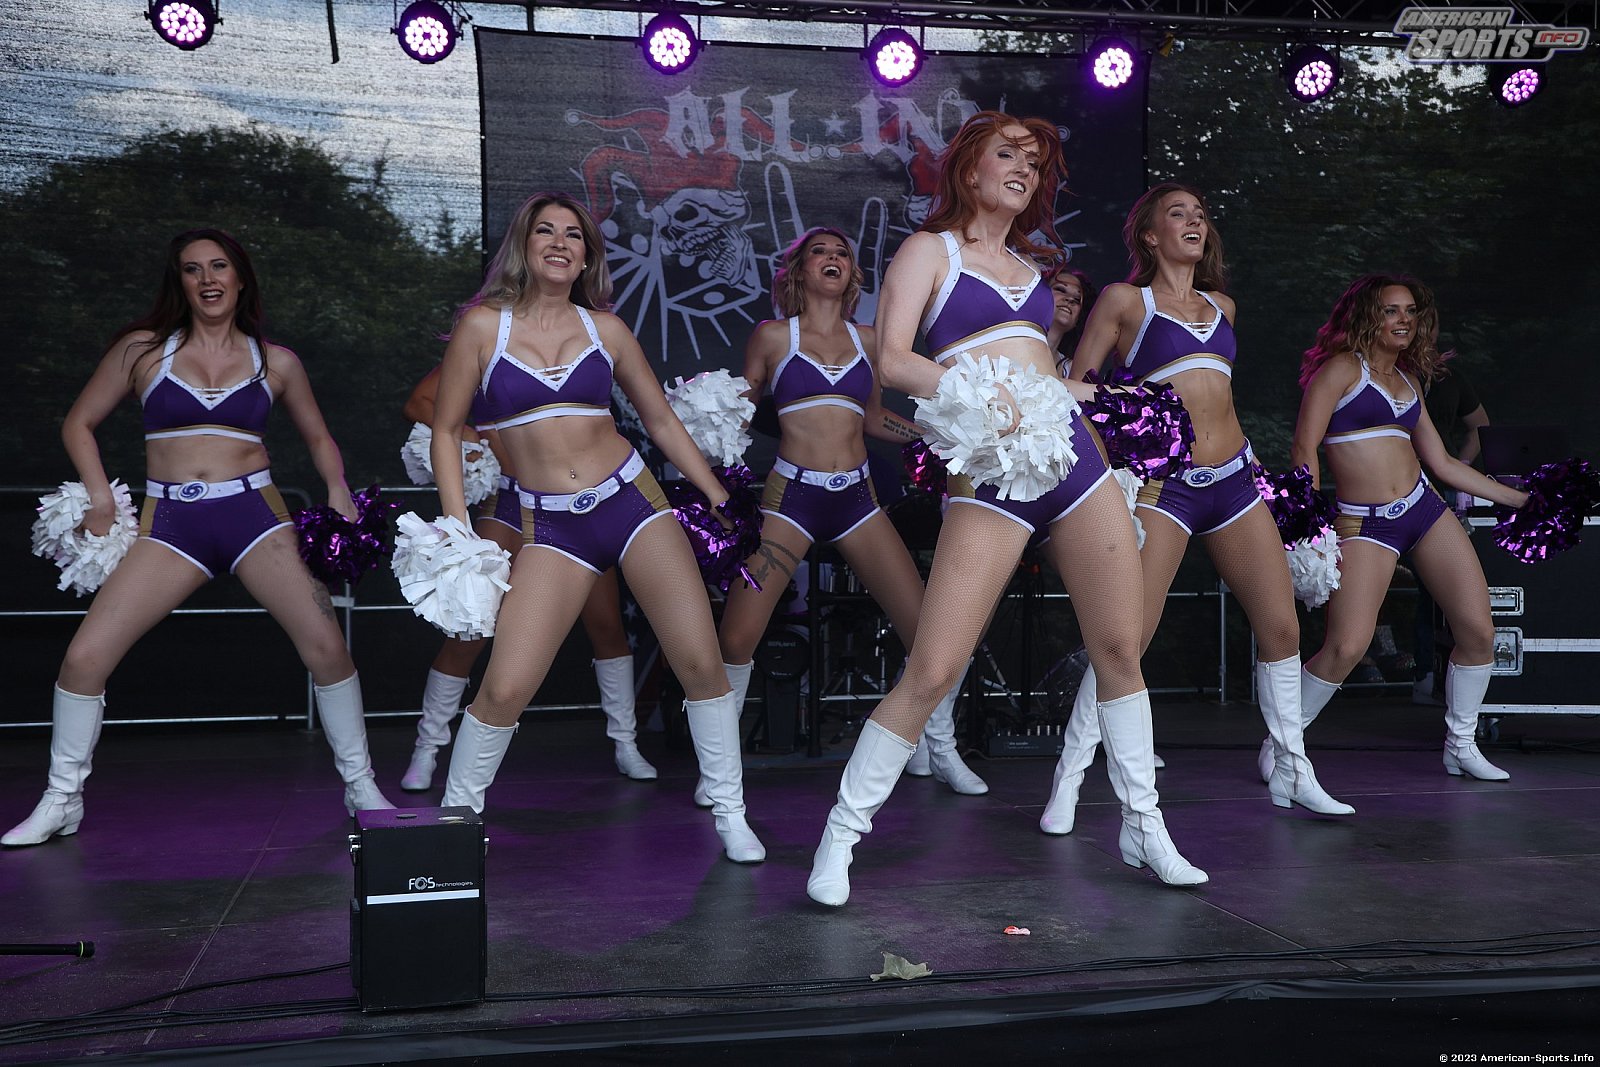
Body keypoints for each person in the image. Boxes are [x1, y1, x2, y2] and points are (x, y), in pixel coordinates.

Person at [807, 112, 1206, 907]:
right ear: (969, 169)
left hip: (1071, 455)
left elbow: (1044, 379)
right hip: (993, 467)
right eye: (1007, 154)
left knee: (1120, 646)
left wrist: (1114, 400)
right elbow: (893, 363)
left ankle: (1143, 823)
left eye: (1033, 160)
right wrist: (986, 396)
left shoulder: (1030, 268)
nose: (1023, 168)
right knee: (934, 666)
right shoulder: (931, 252)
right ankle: (842, 834)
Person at [4, 228, 394, 848]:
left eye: (219, 267)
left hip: (256, 518)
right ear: (179, 281)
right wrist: (100, 496)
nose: (208, 279)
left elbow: (319, 437)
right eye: (193, 269)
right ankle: (61, 800)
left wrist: (337, 487)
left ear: (240, 278)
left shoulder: (276, 362)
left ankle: (362, 787)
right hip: (172, 525)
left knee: (326, 645)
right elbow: (78, 422)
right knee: (84, 658)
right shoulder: (142, 351)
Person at [428, 192, 765, 863]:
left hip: (632, 504)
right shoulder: (482, 328)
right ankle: (453, 825)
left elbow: (659, 419)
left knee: (700, 662)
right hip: (549, 525)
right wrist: (459, 528)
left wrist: (714, 490)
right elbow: (444, 429)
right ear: (524, 245)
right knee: (505, 686)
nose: (560, 242)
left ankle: (731, 813)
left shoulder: (605, 328)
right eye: (545, 231)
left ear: (587, 256)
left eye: (574, 235)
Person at [1038, 183, 1355, 839]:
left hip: (1236, 480)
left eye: (1201, 215)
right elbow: (1078, 388)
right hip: (1167, 486)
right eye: (1177, 213)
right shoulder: (1126, 301)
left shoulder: (1222, 306)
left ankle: (1292, 770)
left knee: (1283, 629)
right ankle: (1070, 775)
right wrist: (1126, 438)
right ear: (1149, 235)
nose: (1194, 221)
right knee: (1127, 639)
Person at [715, 226, 987, 802]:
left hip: (857, 500)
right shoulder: (773, 336)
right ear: (799, 270)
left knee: (931, 629)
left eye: (842, 252)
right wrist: (704, 424)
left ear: (851, 274)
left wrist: (933, 437)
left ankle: (937, 747)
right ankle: (720, 774)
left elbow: (873, 417)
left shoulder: (869, 340)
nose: (833, 258)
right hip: (791, 498)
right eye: (820, 251)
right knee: (737, 636)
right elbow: (740, 409)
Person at [1287, 274, 1527, 781]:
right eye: (1391, 310)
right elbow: (1305, 448)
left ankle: (1461, 744)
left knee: (1479, 631)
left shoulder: (1409, 381)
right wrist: (1311, 524)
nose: (1404, 320)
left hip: (1424, 509)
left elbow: (1442, 464)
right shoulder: (1340, 370)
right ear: (1367, 316)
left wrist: (1518, 500)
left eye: (1411, 311)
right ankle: (1284, 746)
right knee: (1347, 646)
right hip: (1365, 522)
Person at [397, 367, 653, 792]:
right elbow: (418, 403)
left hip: (570, 506)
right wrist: (471, 435)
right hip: (508, 502)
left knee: (607, 626)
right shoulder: (483, 346)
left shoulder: (570, 345)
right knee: (469, 630)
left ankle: (626, 744)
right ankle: (427, 748)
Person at [1409, 358, 1490, 703]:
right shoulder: (1383, 375)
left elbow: (1446, 457)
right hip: (1385, 498)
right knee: (1348, 641)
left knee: (1451, 597)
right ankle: (1423, 673)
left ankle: (1455, 711)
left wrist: (1518, 498)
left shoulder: (1449, 378)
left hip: (1439, 493)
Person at [1046, 266, 1097, 373]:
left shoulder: (1072, 371)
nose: (1070, 299)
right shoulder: (1012, 342)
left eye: (1077, 299)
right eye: (1061, 290)